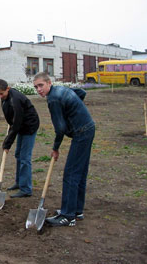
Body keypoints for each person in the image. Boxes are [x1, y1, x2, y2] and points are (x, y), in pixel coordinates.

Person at [33, 72, 95, 227]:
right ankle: (77, 211)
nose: (39, 89)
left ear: (49, 83)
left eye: (41, 85)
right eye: (36, 87)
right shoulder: (60, 89)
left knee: (71, 173)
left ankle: (68, 216)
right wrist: (73, 110)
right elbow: (81, 92)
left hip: (82, 132)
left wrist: (55, 148)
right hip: (88, 128)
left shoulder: (53, 99)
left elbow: (60, 128)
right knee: (79, 172)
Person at [0, 79, 40, 198]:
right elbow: (13, 121)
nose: (0, 96)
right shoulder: (6, 98)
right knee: (18, 155)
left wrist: (7, 143)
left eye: (1, 94)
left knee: (25, 158)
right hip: (20, 126)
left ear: (7, 89)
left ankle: (26, 189)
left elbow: (17, 123)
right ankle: (19, 183)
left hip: (29, 126)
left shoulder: (16, 100)